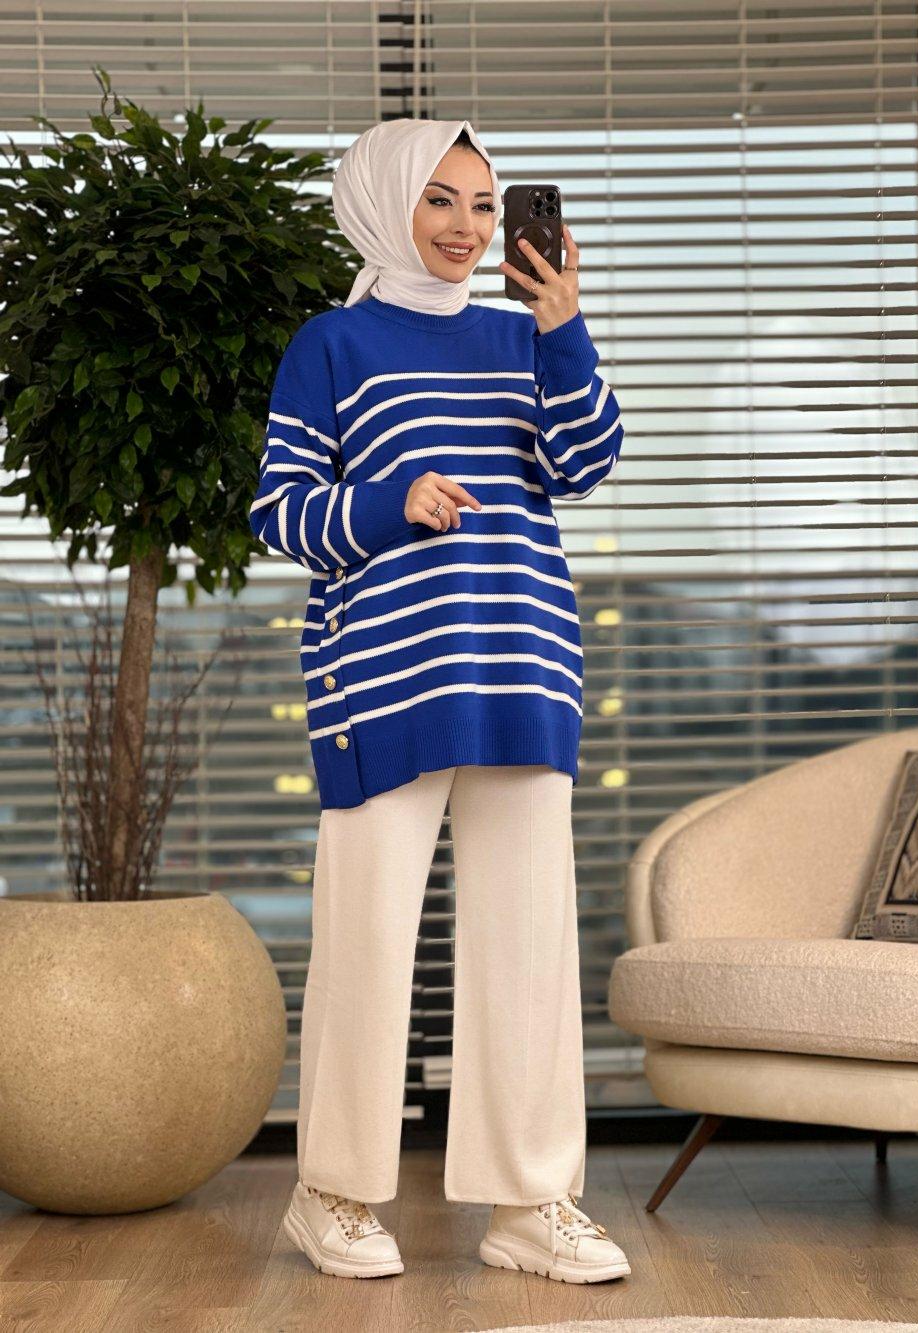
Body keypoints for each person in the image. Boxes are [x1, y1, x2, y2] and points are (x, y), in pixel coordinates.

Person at [249, 117, 628, 1284]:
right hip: (383, 677)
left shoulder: (527, 337)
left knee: (529, 950)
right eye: (441, 201)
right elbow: (278, 511)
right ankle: (331, 1192)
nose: (468, 227)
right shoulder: (332, 344)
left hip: (522, 665)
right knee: (367, 945)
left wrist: (564, 328)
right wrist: (387, 501)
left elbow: (586, 463)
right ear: (385, 203)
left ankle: (530, 1202)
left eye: (484, 204)